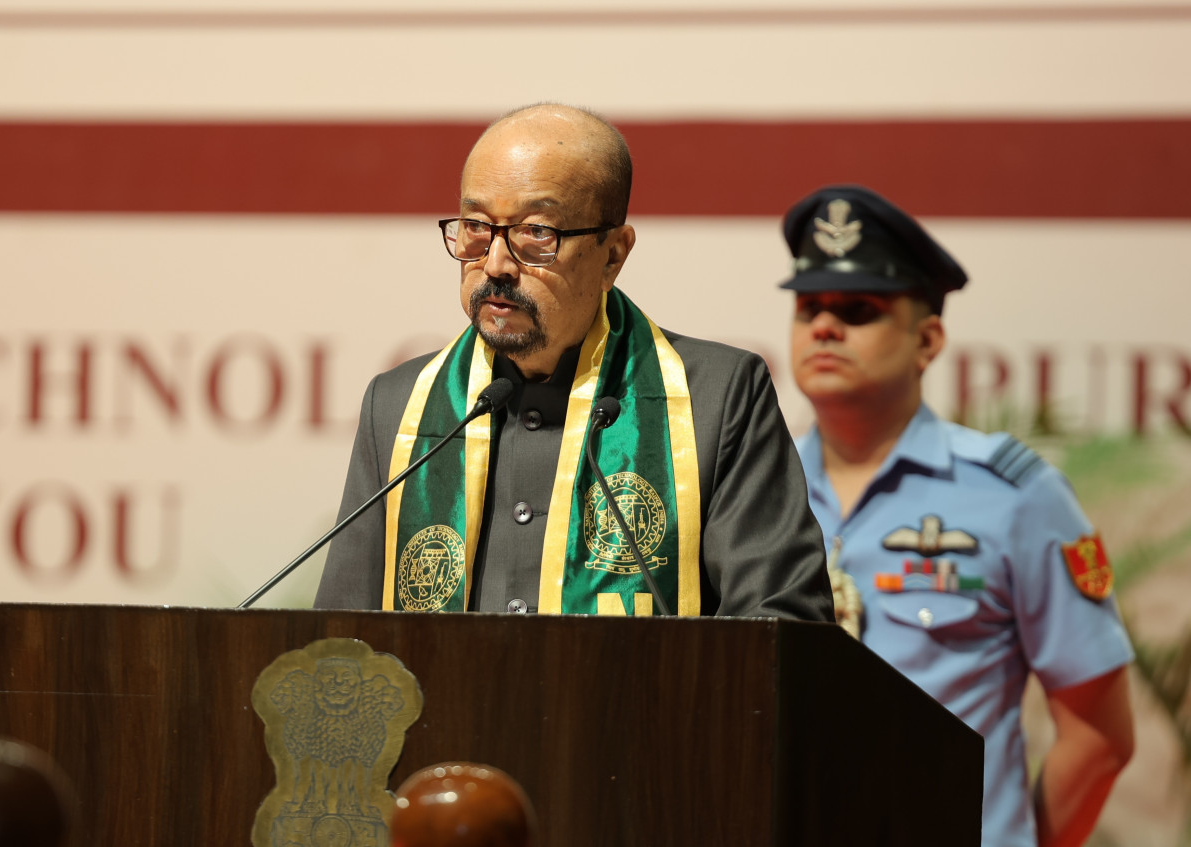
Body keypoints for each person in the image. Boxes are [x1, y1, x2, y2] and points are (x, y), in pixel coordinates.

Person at [313, 103, 831, 619]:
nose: (495, 263)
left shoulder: (715, 399)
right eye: (475, 226)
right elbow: (339, 642)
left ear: (613, 255)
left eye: (537, 232)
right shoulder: (399, 407)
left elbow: (783, 630)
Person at [781, 184, 1135, 847]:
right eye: (809, 308)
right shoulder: (753, 489)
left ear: (928, 339)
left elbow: (1099, 736)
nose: (825, 327)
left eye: (858, 310)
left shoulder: (1016, 495)